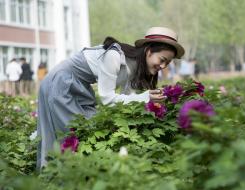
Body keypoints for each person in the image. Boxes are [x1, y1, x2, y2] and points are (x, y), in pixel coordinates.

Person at [37, 26, 185, 168]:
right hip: (61, 83)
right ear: (148, 51)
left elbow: (126, 101)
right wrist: (145, 97)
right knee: (69, 136)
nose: (164, 66)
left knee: (83, 130)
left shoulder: (135, 66)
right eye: (162, 60)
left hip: (79, 86)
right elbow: (108, 100)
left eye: (168, 62)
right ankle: (58, 180)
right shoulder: (114, 56)